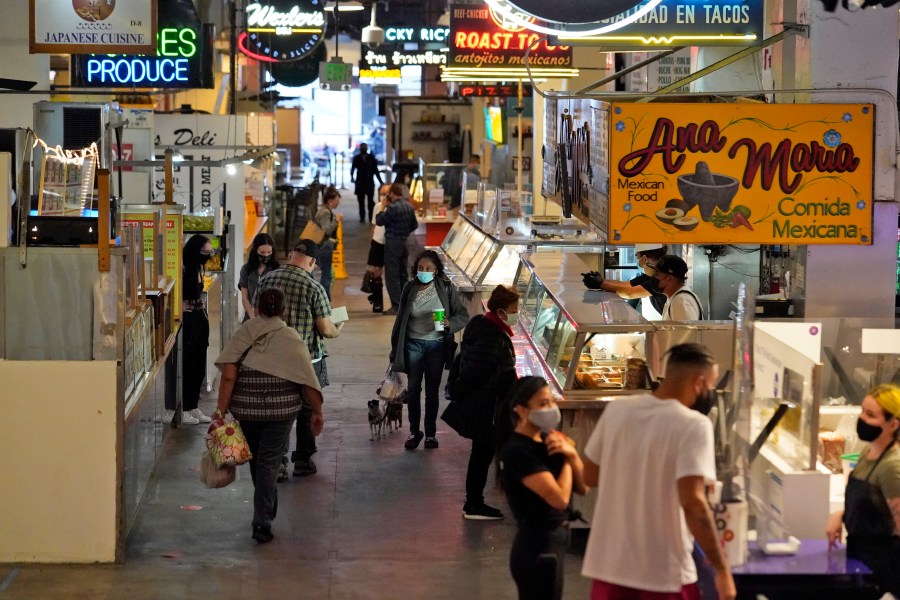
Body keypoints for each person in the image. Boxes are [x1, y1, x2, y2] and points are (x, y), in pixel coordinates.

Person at [581, 343, 735, 600]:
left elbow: (589, 476)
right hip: (663, 573)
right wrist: (721, 569)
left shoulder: (618, 411)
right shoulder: (694, 426)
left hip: (609, 567)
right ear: (699, 383)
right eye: (711, 384)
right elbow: (694, 504)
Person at [214, 288, 324, 544]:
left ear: (258, 307)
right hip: (281, 412)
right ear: (284, 310)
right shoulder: (291, 338)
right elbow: (308, 380)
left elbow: (229, 375)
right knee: (268, 462)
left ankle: (264, 512)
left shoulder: (245, 332)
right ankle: (263, 519)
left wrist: (221, 410)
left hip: (246, 411)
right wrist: (317, 411)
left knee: (258, 462)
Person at [256, 239, 343, 479]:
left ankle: (279, 463)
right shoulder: (313, 287)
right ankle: (303, 460)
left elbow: (255, 316)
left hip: (272, 359)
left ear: (293, 253)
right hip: (306, 361)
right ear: (313, 262)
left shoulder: (267, 280)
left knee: (278, 410)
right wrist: (339, 327)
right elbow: (326, 330)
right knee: (307, 409)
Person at [496, 376, 587, 600]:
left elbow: (582, 488)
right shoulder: (518, 451)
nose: (551, 409)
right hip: (538, 546)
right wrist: (567, 457)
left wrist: (573, 454)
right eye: (543, 404)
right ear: (522, 410)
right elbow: (558, 499)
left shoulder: (547, 439)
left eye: (552, 402)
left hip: (554, 541)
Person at [447, 284, 520, 520]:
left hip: (485, 404)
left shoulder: (484, 326)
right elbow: (474, 372)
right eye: (514, 308)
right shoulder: (492, 337)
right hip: (485, 408)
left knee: (483, 453)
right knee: (482, 454)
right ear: (501, 312)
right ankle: (474, 504)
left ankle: (476, 502)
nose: (517, 312)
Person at [389, 250, 468, 450]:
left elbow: (462, 315)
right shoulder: (410, 288)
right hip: (413, 344)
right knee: (414, 389)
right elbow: (400, 320)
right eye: (420, 268)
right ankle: (414, 432)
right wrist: (394, 349)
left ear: (436, 271)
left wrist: (448, 323)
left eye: (428, 269)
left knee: (432, 392)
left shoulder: (446, 289)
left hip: (437, 346)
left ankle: (430, 434)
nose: (423, 272)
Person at [826, 383, 900, 598]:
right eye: (862, 411)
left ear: (893, 424)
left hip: (880, 572)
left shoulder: (891, 467)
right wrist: (839, 515)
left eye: (871, 415)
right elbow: (871, 505)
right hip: (859, 561)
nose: (862, 419)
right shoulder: (867, 453)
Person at [173, 234, 215, 425]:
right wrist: (178, 305)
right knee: (187, 365)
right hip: (188, 322)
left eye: (210, 251)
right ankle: (183, 407)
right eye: (204, 251)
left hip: (199, 319)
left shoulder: (198, 267)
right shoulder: (183, 269)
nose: (208, 255)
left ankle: (192, 405)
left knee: (199, 365)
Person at [582, 244, 668, 317]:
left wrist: (601, 284)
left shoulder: (660, 279)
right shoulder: (647, 276)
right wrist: (602, 280)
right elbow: (626, 284)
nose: (636, 260)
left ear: (644, 259)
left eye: (637, 256)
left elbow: (629, 293)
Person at [376, 182, 419, 315]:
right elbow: (414, 225)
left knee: (392, 276)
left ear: (392, 194)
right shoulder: (409, 207)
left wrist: (382, 207)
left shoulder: (393, 208)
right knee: (403, 274)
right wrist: (404, 232)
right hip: (404, 243)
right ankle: (406, 304)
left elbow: (379, 220)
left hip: (393, 243)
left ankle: (396, 306)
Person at [239, 233, 279, 322]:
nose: (266, 255)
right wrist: (253, 318)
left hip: (271, 318)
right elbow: (244, 297)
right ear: (255, 251)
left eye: (269, 252)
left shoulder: (277, 269)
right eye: (262, 252)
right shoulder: (246, 269)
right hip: (250, 316)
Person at [651, 254, 704, 320]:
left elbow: (687, 330)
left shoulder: (681, 301)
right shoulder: (675, 298)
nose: (653, 276)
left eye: (657, 274)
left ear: (669, 278)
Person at [365, 183, 390, 313]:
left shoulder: (394, 208)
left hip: (390, 243)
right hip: (377, 242)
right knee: (376, 272)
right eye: (381, 194)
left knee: (391, 274)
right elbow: (374, 225)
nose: (383, 197)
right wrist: (371, 242)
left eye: (386, 194)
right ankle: (377, 301)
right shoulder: (377, 207)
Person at [314, 187, 342, 301]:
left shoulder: (323, 210)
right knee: (327, 275)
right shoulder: (325, 212)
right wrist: (336, 220)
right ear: (330, 200)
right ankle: (324, 300)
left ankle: (326, 299)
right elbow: (327, 230)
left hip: (322, 246)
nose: (338, 202)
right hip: (324, 247)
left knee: (329, 274)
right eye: (337, 200)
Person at [350, 142, 384, 223]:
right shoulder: (357, 158)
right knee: (360, 201)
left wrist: (381, 182)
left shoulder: (371, 158)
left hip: (369, 182)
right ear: (360, 149)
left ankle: (370, 216)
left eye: (365, 148)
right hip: (360, 182)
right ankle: (362, 217)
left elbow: (376, 171)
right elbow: (353, 169)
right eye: (362, 148)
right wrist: (352, 177)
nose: (363, 149)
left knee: (370, 201)